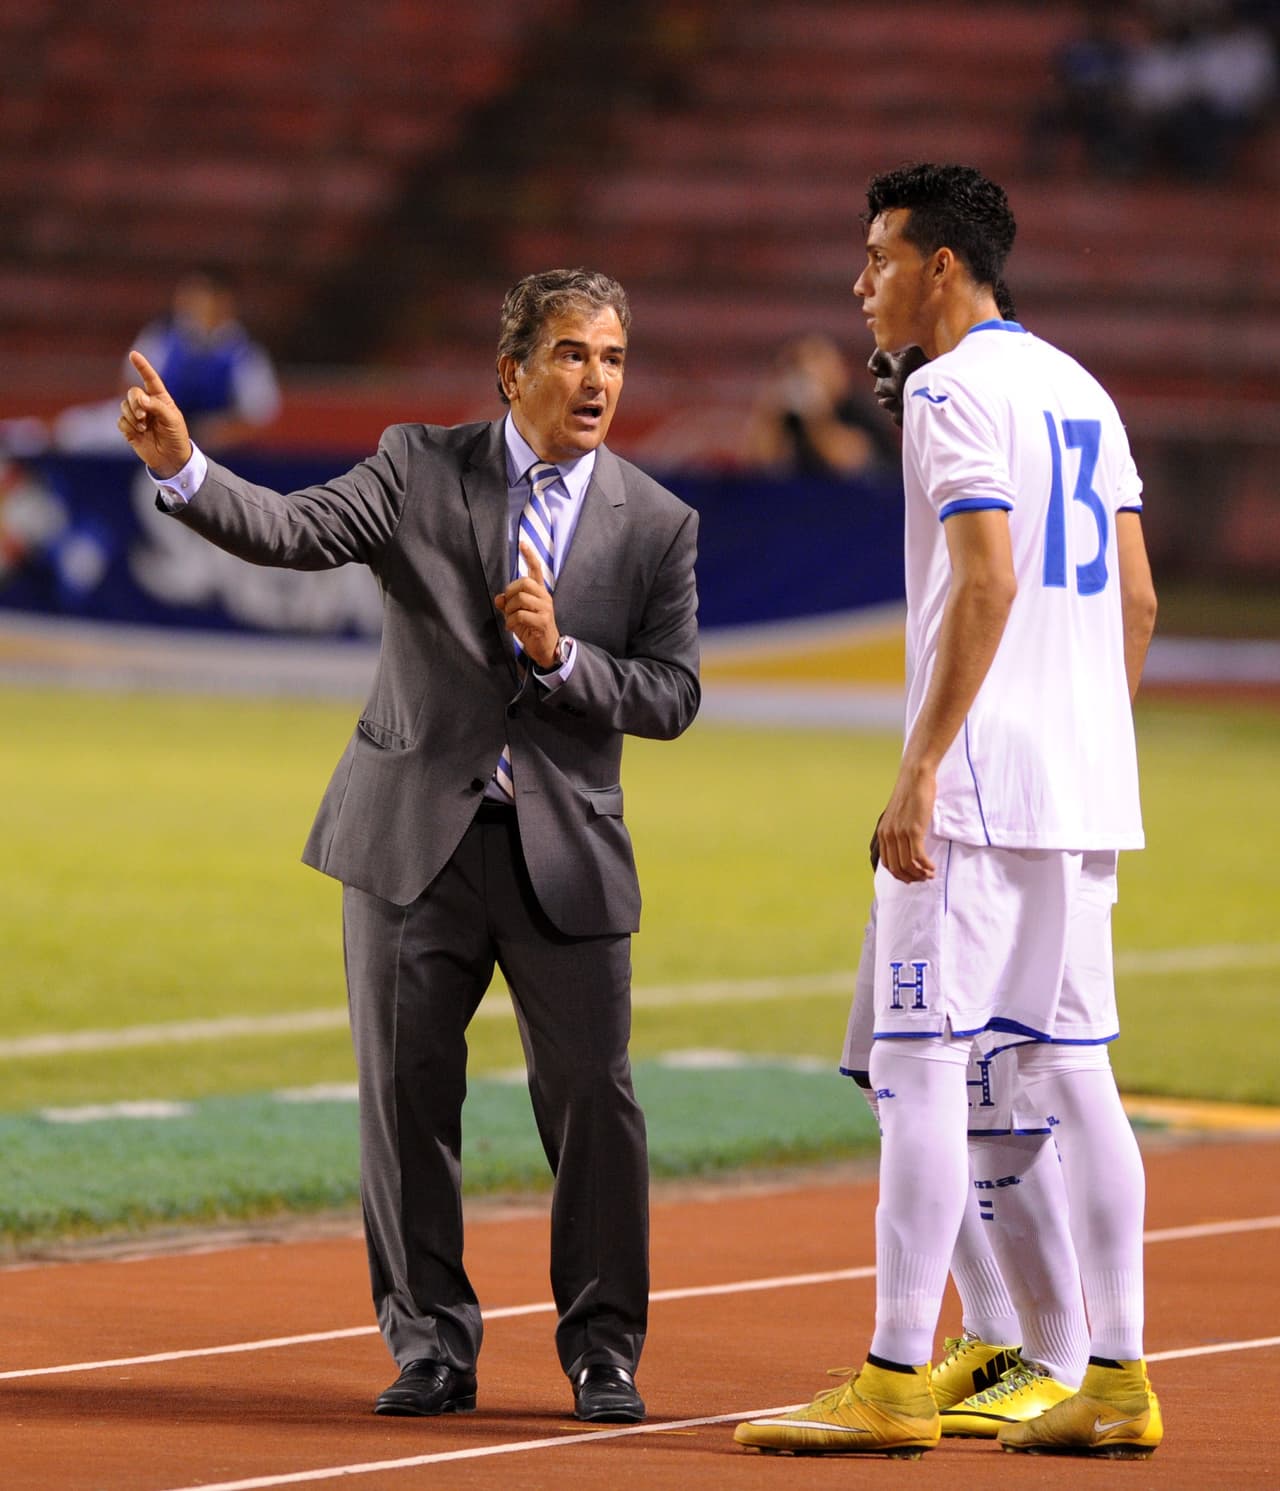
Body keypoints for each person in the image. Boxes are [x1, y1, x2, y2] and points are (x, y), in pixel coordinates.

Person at [116, 267, 701, 1425]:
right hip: (409, 844)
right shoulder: (419, 466)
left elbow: (673, 696)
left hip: (565, 857)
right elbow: (290, 530)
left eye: (614, 357)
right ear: (512, 368)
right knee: (405, 1103)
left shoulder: (658, 523)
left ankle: (602, 1352)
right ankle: (430, 1344)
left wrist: (562, 660)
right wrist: (181, 465)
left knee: (594, 1102)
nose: (596, 379)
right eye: (573, 354)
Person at [735, 162, 1159, 1459]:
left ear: (943, 268)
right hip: (1083, 789)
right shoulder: (1081, 386)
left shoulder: (951, 387)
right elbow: (1135, 601)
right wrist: (1082, 735)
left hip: (975, 789)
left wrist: (921, 765)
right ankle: (1117, 1376)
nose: (861, 282)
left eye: (877, 257)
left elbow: (985, 574)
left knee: (921, 1068)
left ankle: (893, 1374)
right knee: (1078, 1074)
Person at [53, 269, 281, 453]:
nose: (187, 305)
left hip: (207, 442)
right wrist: (149, 419)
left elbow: (257, 418)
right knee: (74, 428)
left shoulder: (246, 354)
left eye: (197, 298)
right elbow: (129, 386)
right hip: (154, 428)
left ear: (223, 301)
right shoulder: (161, 336)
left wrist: (203, 435)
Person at [745, 332, 896, 476]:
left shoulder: (860, 409)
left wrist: (817, 415)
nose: (810, 375)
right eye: (801, 366)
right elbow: (759, 464)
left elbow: (852, 463)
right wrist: (770, 410)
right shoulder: (791, 413)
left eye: (819, 364)